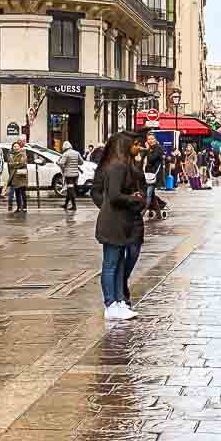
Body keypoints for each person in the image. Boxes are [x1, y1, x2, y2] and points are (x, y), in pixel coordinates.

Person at [92, 132, 145, 321]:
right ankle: (110, 304)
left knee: (120, 263)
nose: (137, 147)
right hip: (112, 222)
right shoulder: (117, 168)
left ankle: (120, 301)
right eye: (134, 144)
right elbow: (114, 195)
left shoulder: (124, 166)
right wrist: (133, 198)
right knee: (111, 264)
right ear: (125, 146)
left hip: (121, 222)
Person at [142, 134, 165, 220]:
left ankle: (143, 212)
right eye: (149, 139)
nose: (150, 141)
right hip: (148, 175)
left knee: (148, 193)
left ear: (155, 139)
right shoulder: (149, 149)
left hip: (154, 175)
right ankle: (159, 213)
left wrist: (147, 149)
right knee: (151, 194)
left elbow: (151, 159)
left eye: (152, 139)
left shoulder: (158, 148)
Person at [58, 140, 82, 210]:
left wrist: (58, 162)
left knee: (71, 189)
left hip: (68, 175)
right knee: (70, 189)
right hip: (76, 175)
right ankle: (66, 204)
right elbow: (81, 162)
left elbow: (61, 163)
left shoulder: (66, 154)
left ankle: (74, 205)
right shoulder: (76, 153)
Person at [7, 140, 29, 212]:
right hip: (14, 176)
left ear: (20, 147)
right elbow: (9, 164)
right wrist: (16, 163)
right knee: (17, 193)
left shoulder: (23, 154)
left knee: (23, 192)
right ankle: (19, 207)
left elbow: (22, 163)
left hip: (21, 175)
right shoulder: (10, 155)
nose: (15, 147)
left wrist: (15, 164)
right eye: (14, 146)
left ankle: (25, 207)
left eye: (17, 146)